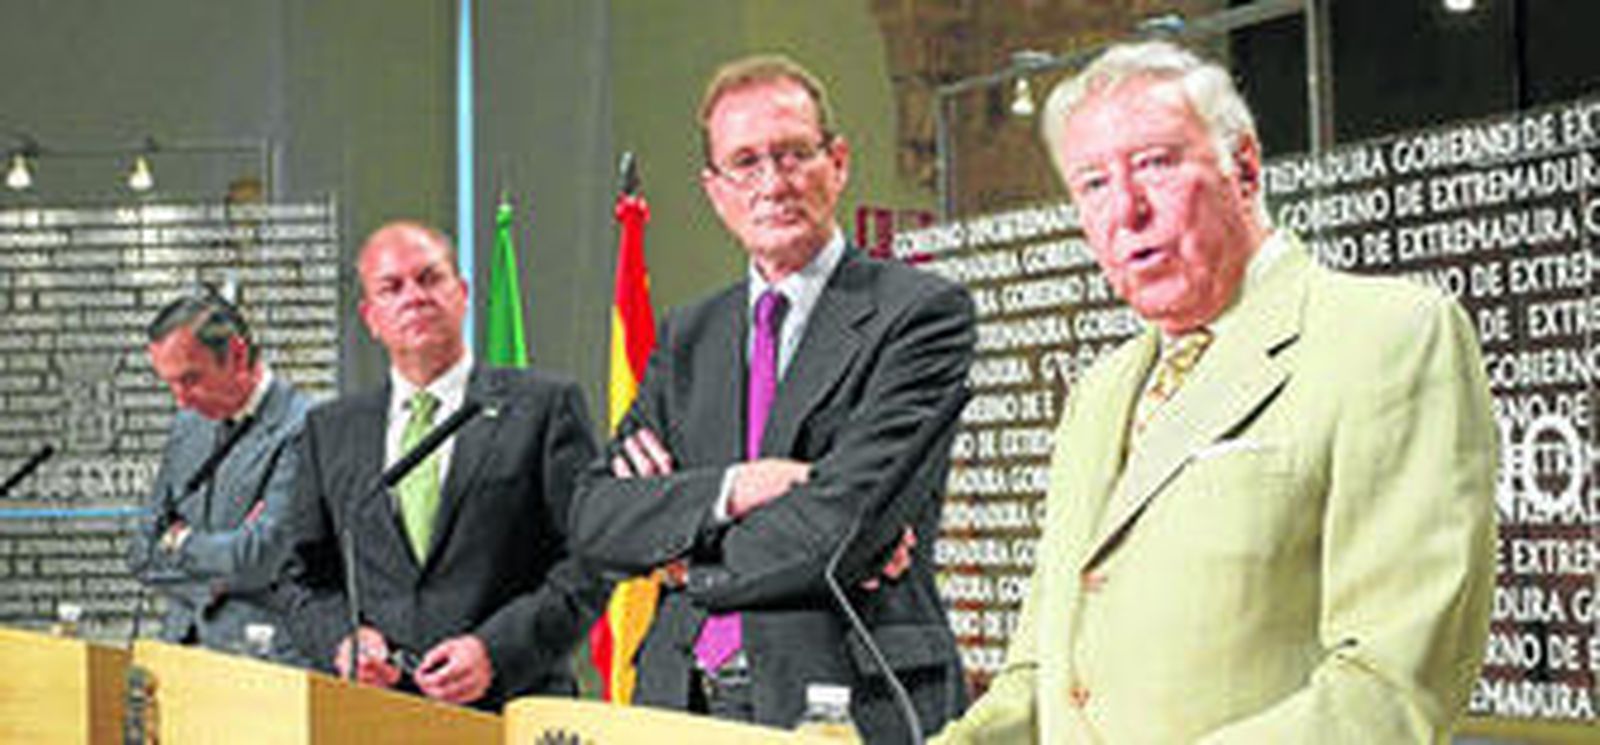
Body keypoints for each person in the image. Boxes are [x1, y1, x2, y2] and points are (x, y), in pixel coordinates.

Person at [932, 40, 1498, 743]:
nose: (1126, 209)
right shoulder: (1099, 394)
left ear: (1246, 167)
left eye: (1155, 163)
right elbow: (1041, 672)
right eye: (1093, 183)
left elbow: (1392, 680)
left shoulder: (1387, 337)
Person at [570, 54, 975, 741]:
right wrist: (734, 487)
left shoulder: (918, 312)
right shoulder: (689, 335)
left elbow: (844, 525)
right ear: (714, 189)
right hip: (678, 698)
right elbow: (596, 518)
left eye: (793, 155)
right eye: (746, 162)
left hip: (843, 696)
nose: (773, 183)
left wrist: (681, 555)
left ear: (838, 162)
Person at [278, 221, 606, 710]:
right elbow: (297, 577)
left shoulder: (543, 406)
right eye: (392, 287)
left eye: (430, 278)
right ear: (370, 316)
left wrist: (495, 651)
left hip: (511, 706)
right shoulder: (331, 430)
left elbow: (588, 561)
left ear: (463, 292)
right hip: (376, 714)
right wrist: (342, 642)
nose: (414, 296)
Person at [128, 288, 309, 663]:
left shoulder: (303, 426)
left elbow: (258, 557)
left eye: (191, 379)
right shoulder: (187, 426)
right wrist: (216, 575)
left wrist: (178, 541)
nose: (180, 399)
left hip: (264, 659)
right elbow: (142, 551)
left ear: (238, 355)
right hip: (182, 653)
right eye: (170, 383)